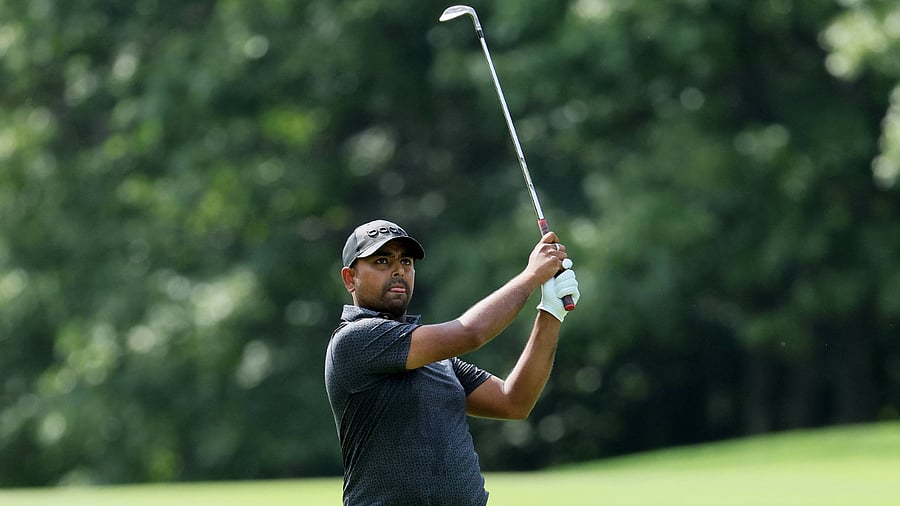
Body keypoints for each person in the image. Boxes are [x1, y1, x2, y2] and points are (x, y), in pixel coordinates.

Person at [325, 219, 580, 506]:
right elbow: (471, 333)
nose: (398, 270)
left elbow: (514, 402)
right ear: (350, 279)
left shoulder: (438, 360)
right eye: (382, 260)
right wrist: (532, 275)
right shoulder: (355, 340)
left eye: (406, 261)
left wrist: (551, 313)